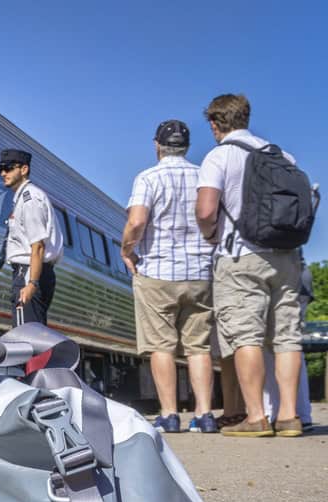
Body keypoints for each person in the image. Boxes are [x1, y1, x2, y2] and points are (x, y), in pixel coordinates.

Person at [195, 93, 305, 437]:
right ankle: (288, 416)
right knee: (287, 337)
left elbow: (205, 210)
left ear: (215, 124)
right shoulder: (282, 155)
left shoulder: (219, 155)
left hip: (240, 256)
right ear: (245, 117)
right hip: (286, 256)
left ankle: (255, 417)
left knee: (246, 337)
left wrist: (210, 235)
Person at [120, 120, 217, 434]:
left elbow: (136, 222)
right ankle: (204, 415)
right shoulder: (204, 175)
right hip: (200, 273)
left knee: (161, 346)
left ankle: (169, 414)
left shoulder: (148, 178)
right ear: (186, 147)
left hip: (158, 272)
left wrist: (127, 250)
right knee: (198, 347)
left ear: (157, 145)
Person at [0, 148, 63, 325]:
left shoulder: (30, 199)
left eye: (9, 168)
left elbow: (38, 245)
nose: (3, 173)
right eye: (1, 169)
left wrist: (32, 283)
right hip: (33, 272)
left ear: (24, 169)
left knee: (26, 339)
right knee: (32, 336)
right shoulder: (23, 198)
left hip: (29, 273)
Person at [263, 260, 315, 429]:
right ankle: (300, 414)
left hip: (268, 270)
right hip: (297, 271)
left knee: (267, 347)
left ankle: (274, 413)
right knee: (290, 344)